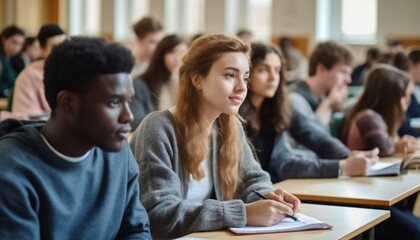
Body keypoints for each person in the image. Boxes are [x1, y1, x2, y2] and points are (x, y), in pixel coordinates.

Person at [130, 34, 300, 239]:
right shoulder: (158, 128)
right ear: (197, 79)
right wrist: (242, 213)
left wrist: (268, 196)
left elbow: (253, 178)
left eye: (245, 77)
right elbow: (158, 216)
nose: (242, 87)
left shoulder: (230, 124)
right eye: (230, 75)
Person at [0, 37, 151, 239]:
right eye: (114, 103)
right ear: (68, 102)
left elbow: (136, 230)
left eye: (128, 101)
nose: (129, 116)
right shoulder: (11, 171)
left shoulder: (118, 152)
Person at [239, 43, 378, 182]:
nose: (273, 78)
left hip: (272, 187)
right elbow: (283, 164)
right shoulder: (236, 115)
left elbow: (314, 135)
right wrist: (342, 166)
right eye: (263, 70)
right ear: (247, 73)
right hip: (256, 191)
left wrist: (348, 156)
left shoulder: (276, 109)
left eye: (277, 70)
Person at [342, 64, 420, 157]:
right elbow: (383, 149)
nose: (408, 101)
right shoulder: (368, 117)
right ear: (389, 97)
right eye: (404, 96)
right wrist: (400, 146)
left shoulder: (376, 117)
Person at [290, 41, 352, 131]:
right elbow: (310, 140)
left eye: (349, 74)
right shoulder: (295, 100)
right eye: (343, 72)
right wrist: (329, 105)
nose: (348, 80)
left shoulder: (322, 97)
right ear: (321, 69)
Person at [129, 34, 187, 129]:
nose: (178, 58)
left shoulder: (188, 84)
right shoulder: (140, 84)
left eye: (183, 53)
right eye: (173, 52)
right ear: (161, 55)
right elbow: (135, 123)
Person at [11, 24, 65, 118]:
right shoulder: (28, 76)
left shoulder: (73, 71)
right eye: (56, 48)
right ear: (42, 50)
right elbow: (24, 118)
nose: (62, 51)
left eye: (65, 45)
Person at [400, 48, 420, 137]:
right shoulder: (402, 88)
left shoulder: (417, 87)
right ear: (411, 65)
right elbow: (403, 125)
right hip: (410, 137)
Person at [0, 25, 25, 97]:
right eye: (14, 42)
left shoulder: (16, 60)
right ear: (4, 39)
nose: (17, 47)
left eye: (20, 44)